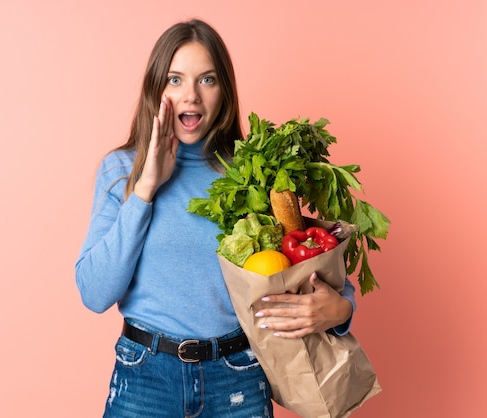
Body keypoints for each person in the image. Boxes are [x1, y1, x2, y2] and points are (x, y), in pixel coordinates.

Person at [75, 19, 356, 418]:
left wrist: (341, 311)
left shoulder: (253, 175)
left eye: (207, 80)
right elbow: (94, 292)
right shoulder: (122, 170)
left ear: (224, 91)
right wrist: (146, 188)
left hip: (237, 376)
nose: (190, 95)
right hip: (144, 379)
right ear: (156, 88)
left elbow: (309, 258)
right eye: (175, 79)